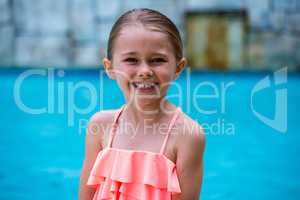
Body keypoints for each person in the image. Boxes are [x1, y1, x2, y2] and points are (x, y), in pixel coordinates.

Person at [79, 8, 205, 200]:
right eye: (131, 60)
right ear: (110, 68)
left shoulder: (187, 135)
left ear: (178, 68)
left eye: (158, 60)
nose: (145, 70)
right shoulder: (100, 126)